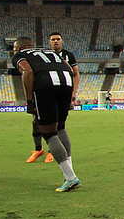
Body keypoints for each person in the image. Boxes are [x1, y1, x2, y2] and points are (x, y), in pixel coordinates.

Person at [12, 37, 80, 192]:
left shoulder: (19, 55)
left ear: (18, 47)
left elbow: (27, 72)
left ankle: (70, 178)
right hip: (65, 82)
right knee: (61, 128)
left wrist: (29, 100)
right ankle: (69, 173)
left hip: (46, 86)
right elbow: (70, 69)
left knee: (49, 134)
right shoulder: (49, 52)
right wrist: (69, 95)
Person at [26, 32, 79, 163]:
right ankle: (38, 149)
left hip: (61, 93)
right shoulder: (44, 56)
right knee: (36, 122)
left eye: (58, 39)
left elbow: (75, 74)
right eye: (53, 39)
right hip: (44, 93)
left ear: (62, 41)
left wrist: (73, 93)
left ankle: (52, 151)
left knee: (57, 124)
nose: (56, 41)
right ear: (49, 42)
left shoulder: (68, 56)